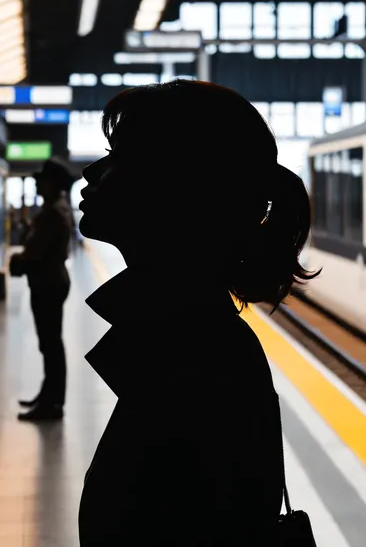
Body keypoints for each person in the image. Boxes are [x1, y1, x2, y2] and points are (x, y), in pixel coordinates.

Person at [77, 80, 319, 546]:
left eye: (119, 157)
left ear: (176, 185)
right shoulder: (193, 334)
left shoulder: (198, 357)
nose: (92, 172)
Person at [10, 157, 73, 422]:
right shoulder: (56, 209)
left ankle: (52, 403)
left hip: (47, 284)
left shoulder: (52, 214)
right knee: (50, 343)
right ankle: (48, 395)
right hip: (51, 282)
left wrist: (17, 261)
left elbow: (32, 253)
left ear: (53, 184)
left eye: (41, 182)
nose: (37, 185)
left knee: (50, 344)